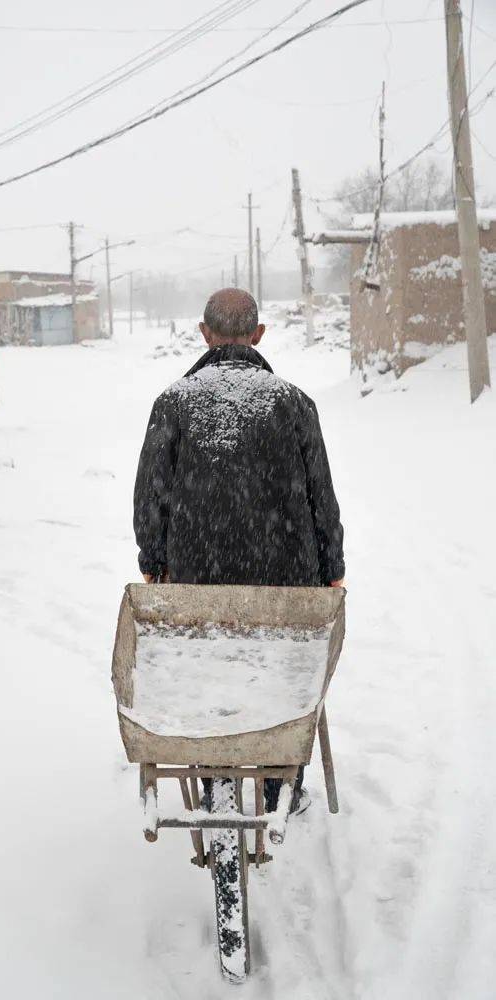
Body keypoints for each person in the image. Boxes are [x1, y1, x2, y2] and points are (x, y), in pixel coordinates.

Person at [133, 287, 345, 814]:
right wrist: (332, 569)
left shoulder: (175, 403)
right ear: (257, 335)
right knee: (275, 670)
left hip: (197, 577)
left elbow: (150, 495)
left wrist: (154, 563)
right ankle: (278, 786)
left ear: (204, 334)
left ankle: (213, 779)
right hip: (283, 576)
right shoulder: (293, 403)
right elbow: (321, 496)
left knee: (208, 668)